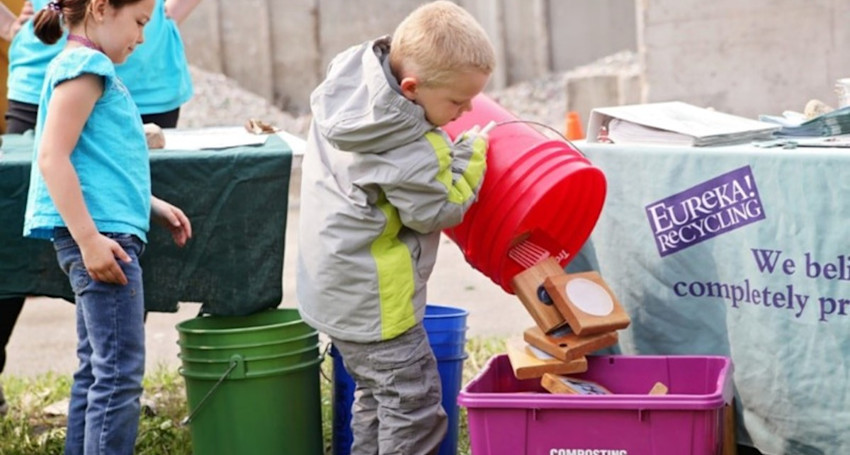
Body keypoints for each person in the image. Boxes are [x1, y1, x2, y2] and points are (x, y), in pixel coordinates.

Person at [296, 2, 495, 454]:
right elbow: (439, 209)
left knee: (378, 397)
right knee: (417, 409)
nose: (465, 111)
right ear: (411, 87)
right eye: (458, 101)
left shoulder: (352, 86)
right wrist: (472, 155)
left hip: (335, 291)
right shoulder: (406, 141)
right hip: (376, 304)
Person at [0, 0, 198, 416]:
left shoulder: (88, 65)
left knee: (97, 372)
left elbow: (102, 167)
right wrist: (89, 240)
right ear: (101, 8)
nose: (143, 37)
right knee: (118, 376)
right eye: (140, 22)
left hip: (107, 231)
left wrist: (150, 204)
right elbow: (53, 157)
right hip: (105, 239)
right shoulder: (87, 69)